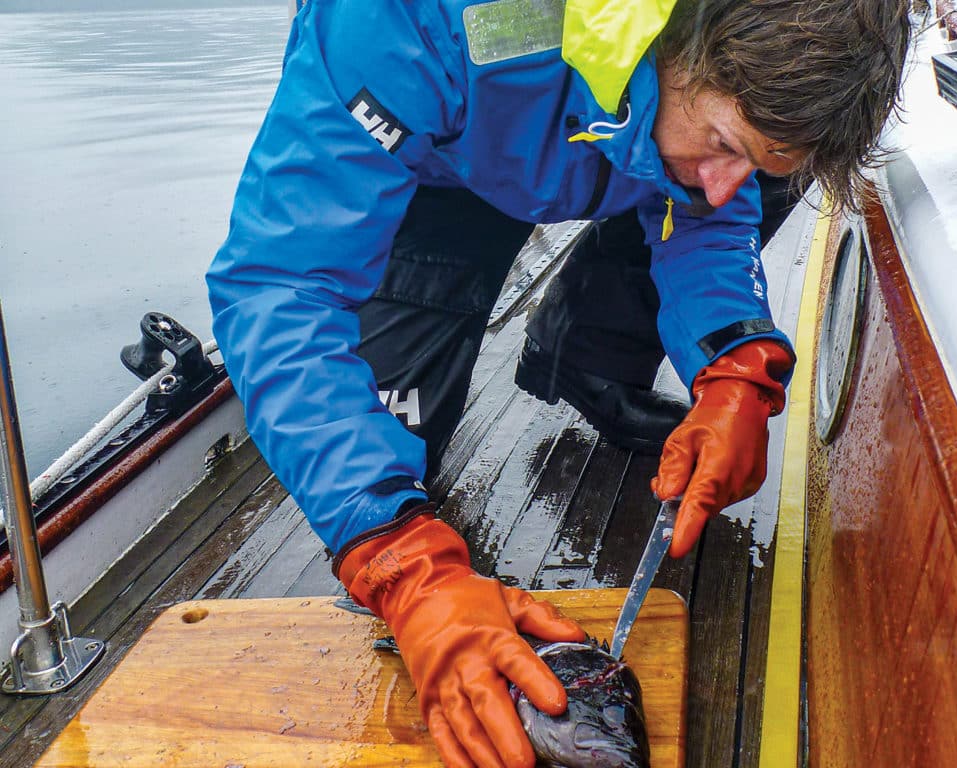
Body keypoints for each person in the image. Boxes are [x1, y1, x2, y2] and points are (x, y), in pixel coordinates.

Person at [206, 0, 909, 765]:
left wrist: (736, 364)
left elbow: (707, 214)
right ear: (677, 38)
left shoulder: (709, 119)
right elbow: (281, 288)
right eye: (723, 143)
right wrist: (398, 558)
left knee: (718, 180)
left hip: (622, 142)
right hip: (437, 157)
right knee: (386, 459)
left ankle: (589, 354)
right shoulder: (397, 21)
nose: (722, 184)